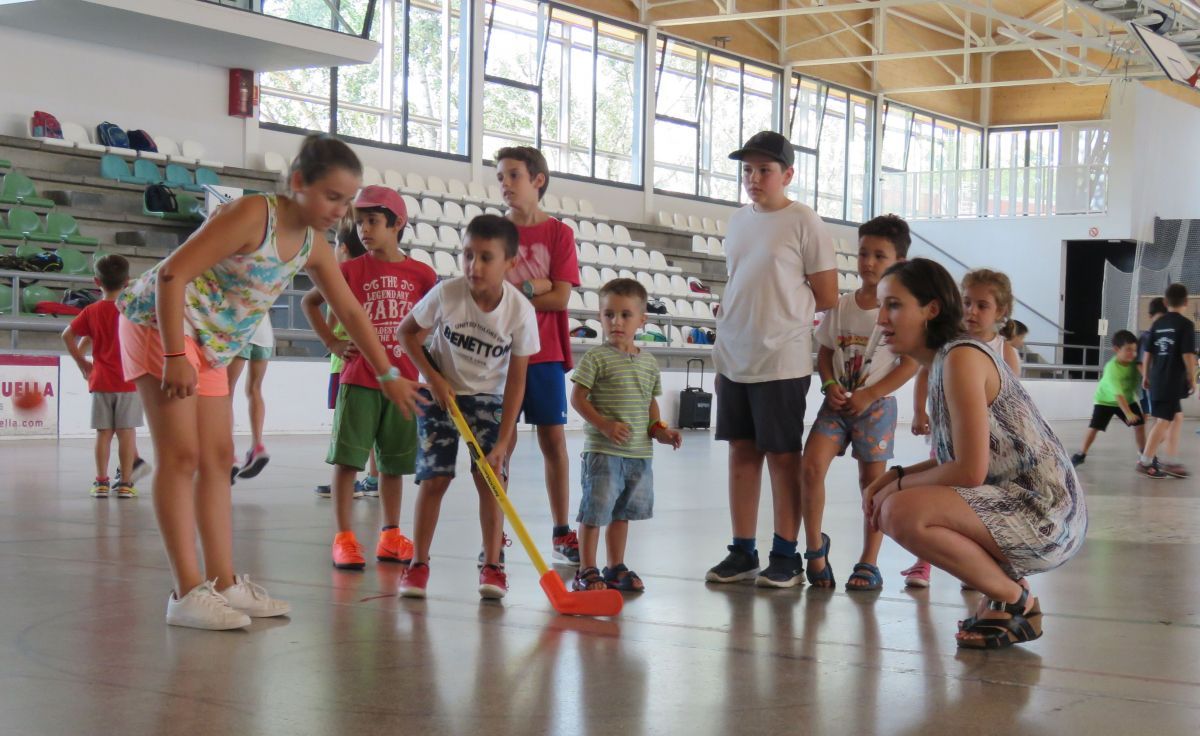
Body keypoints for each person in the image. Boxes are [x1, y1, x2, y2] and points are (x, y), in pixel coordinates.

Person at [117, 134, 425, 630]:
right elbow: (172, 275)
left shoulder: (313, 244)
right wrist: (175, 354)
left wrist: (388, 372)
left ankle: (223, 581)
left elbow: (349, 308)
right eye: (332, 197)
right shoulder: (252, 214)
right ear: (298, 183)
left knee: (219, 459)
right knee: (182, 457)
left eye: (347, 202)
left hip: (212, 343)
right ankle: (185, 592)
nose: (340, 211)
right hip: (161, 325)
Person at [865, 258, 1086, 649]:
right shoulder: (943, 362)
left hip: (1047, 515)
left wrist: (896, 484)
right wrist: (894, 476)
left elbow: (969, 470)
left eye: (894, 305)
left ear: (931, 309)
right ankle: (1004, 593)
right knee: (896, 503)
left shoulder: (961, 357)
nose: (881, 317)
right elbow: (959, 459)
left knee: (901, 511)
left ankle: (1017, 602)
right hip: (1017, 504)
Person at [705, 130, 837, 586]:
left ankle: (786, 554)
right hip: (734, 354)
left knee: (783, 457)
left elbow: (826, 295)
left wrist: (780, 319)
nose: (754, 178)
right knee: (741, 454)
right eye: (747, 169)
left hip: (782, 357)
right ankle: (743, 551)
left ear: (787, 174)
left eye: (764, 169)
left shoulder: (805, 221)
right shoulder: (737, 221)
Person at [397, 214, 539, 600]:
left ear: (510, 263)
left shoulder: (520, 311)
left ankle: (492, 563)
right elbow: (406, 334)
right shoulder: (447, 293)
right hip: (439, 391)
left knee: (492, 481)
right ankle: (418, 564)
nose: (474, 266)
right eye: (467, 255)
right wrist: (433, 376)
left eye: (486, 258)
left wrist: (503, 441)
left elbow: (517, 380)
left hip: (489, 398)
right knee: (435, 478)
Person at [302, 185, 437, 570]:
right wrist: (331, 341)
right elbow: (310, 301)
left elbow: (435, 315)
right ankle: (344, 537)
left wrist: (417, 353)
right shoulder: (348, 269)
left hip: (404, 383)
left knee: (393, 465)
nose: (364, 229)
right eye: (359, 222)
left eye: (373, 221)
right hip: (359, 379)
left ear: (397, 224)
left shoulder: (422, 274)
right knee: (347, 462)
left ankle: (390, 535)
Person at [800, 215, 918, 592]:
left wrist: (871, 393)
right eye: (863, 253)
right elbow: (824, 352)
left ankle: (869, 560)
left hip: (876, 409)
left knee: (872, 484)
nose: (868, 262)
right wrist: (829, 383)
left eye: (879, 256)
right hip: (836, 406)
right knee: (810, 467)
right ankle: (815, 548)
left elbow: (910, 364)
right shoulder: (843, 304)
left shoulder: (902, 310)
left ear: (898, 261)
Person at [901, 266, 1021, 588]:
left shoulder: (1004, 351)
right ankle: (923, 560)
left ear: (1001, 312)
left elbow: (1013, 402)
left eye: (983, 305)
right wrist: (918, 411)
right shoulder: (948, 344)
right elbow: (924, 374)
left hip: (987, 447)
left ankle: (980, 566)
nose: (972, 311)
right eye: (967, 302)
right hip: (949, 440)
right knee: (936, 494)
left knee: (977, 504)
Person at [496, 146, 582, 565]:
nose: (505, 185)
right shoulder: (494, 232)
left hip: (544, 352)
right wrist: (537, 286)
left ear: (538, 180)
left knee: (553, 440)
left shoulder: (558, 234)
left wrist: (523, 291)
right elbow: (488, 297)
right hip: (497, 355)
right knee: (501, 442)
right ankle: (493, 531)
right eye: (501, 177)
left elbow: (562, 296)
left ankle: (562, 532)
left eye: (513, 175)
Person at [568, 278, 682, 593]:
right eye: (609, 315)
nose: (616, 322)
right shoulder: (596, 358)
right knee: (594, 512)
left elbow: (650, 403)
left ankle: (614, 566)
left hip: (638, 455)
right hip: (604, 453)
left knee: (621, 513)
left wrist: (660, 431)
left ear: (642, 320)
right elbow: (577, 398)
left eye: (625, 315)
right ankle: (586, 569)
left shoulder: (648, 363)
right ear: (601, 317)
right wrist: (603, 424)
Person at [61, 254, 150, 499]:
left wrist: (82, 362)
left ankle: (101, 481)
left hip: (100, 380)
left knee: (103, 434)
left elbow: (67, 336)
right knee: (126, 433)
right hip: (129, 381)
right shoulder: (132, 311)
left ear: (96, 281)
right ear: (127, 282)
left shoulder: (91, 311)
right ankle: (126, 483)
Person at [314, 214, 374, 498]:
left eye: (336, 245)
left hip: (346, 361)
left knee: (347, 425)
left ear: (345, 249)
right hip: (365, 358)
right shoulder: (365, 274)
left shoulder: (343, 275)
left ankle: (346, 480)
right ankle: (373, 478)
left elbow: (324, 312)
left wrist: (331, 340)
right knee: (372, 422)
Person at [1138, 283, 1197, 479]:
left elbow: (1147, 354)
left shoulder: (1157, 324)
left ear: (1165, 302)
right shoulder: (1186, 325)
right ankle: (1145, 461)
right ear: (1186, 303)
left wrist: (1146, 376)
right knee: (1163, 421)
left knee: (1176, 417)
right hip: (1172, 381)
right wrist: (1192, 378)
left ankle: (1171, 461)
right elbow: (1188, 355)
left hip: (1157, 379)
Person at [1070, 330, 1146, 467]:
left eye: (1134, 350)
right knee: (1094, 427)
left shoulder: (1135, 362)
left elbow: (1144, 374)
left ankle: (1144, 454)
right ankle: (1081, 454)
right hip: (1105, 401)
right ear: (1117, 350)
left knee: (1139, 426)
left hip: (1127, 400)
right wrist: (1128, 413)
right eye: (1128, 350)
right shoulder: (1112, 368)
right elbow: (1118, 395)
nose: (1133, 354)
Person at [227, 315, 273, 481]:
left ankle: (228, 453)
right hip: (264, 334)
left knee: (225, 392)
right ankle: (257, 446)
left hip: (239, 331)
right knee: (255, 389)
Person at [1137, 297, 1168, 418]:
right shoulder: (1146, 337)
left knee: (1163, 417)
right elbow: (1139, 363)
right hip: (1150, 384)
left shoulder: (1167, 336)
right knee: (1154, 415)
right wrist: (1147, 378)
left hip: (1163, 383)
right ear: (1150, 316)